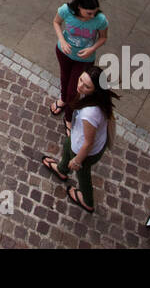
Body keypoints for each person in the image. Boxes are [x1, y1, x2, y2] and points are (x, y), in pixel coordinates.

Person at [41, 67, 119, 212]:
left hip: (84, 152)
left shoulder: (89, 113)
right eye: (81, 79)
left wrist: (77, 161)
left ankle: (87, 201)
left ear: (95, 90)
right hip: (77, 140)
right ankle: (62, 170)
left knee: (82, 175)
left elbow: (88, 143)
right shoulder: (94, 98)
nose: (80, 85)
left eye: (86, 85)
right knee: (67, 144)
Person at [48, 0, 108, 123]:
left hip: (85, 60)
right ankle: (63, 100)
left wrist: (92, 49)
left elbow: (103, 38)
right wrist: (62, 41)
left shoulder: (100, 20)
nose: (93, 16)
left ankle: (69, 118)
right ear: (79, 7)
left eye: (95, 12)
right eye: (89, 13)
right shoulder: (66, 10)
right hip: (64, 54)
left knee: (74, 91)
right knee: (64, 78)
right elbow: (56, 22)